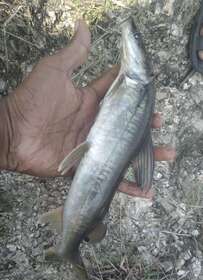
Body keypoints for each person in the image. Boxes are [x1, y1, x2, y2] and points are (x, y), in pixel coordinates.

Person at [0, 20, 175, 198]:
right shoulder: (136, 84)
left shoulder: (138, 84)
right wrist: (9, 133)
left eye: (136, 37)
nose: (132, 35)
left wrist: (9, 134)